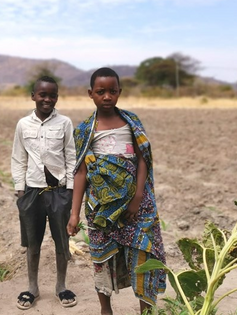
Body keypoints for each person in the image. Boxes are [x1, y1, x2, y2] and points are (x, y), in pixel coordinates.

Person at [66, 67, 166, 315]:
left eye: (112, 91)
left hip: (136, 208)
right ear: (91, 94)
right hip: (100, 210)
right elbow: (81, 173)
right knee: (101, 260)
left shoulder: (131, 123)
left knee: (143, 256)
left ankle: (146, 309)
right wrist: (74, 214)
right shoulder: (84, 130)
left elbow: (143, 160)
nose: (107, 96)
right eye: (101, 92)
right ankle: (105, 310)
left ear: (120, 92)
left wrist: (138, 196)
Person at [11, 76, 77, 310]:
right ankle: (32, 288)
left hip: (59, 192)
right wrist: (20, 192)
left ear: (57, 98)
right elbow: (18, 158)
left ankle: (61, 286)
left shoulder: (65, 123)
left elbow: (71, 157)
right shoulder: (23, 124)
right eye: (42, 95)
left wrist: (69, 191)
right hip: (31, 192)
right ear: (33, 96)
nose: (47, 99)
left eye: (52, 95)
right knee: (33, 243)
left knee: (62, 241)